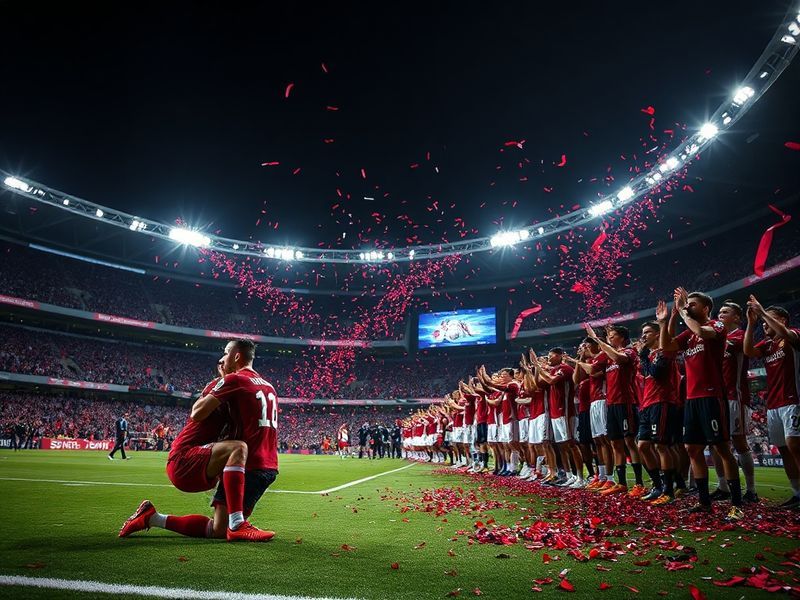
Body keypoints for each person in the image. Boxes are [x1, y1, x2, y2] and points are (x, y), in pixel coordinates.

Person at [120, 343, 276, 542]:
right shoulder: (228, 384)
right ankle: (237, 524)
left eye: (225, 354)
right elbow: (197, 414)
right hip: (183, 458)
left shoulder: (241, 387)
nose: (222, 360)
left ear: (236, 358)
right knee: (238, 447)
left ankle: (152, 518)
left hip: (205, 458)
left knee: (218, 530)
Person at [658, 289, 744, 520]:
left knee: (722, 449)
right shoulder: (688, 335)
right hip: (692, 399)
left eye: (693, 304)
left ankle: (737, 504)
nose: (689, 307)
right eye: (688, 304)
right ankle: (704, 502)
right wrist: (670, 318)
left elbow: (700, 331)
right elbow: (666, 347)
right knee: (692, 449)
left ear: (705, 309)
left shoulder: (716, 326)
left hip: (712, 396)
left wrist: (684, 313)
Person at [743, 296, 800, 508]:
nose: (765, 323)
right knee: (784, 449)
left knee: (795, 445)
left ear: (783, 320)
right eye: (764, 321)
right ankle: (797, 493)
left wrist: (762, 311)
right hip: (773, 404)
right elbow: (748, 351)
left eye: (770, 319)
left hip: (794, 400)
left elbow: (785, 333)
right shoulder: (767, 345)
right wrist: (751, 323)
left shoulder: (793, 335)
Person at [583, 324, 644, 497]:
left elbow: (620, 358)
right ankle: (622, 483)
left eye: (613, 335)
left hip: (626, 402)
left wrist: (597, 339)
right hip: (611, 404)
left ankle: (639, 483)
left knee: (629, 442)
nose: (610, 338)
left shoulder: (629, 352)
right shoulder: (607, 358)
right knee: (616, 443)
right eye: (608, 335)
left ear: (623, 338)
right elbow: (593, 369)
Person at [713, 300, 758, 503]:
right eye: (719, 311)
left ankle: (751, 490)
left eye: (725, 311)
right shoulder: (717, 337)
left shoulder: (739, 336)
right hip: (716, 397)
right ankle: (723, 487)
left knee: (739, 442)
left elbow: (747, 350)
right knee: (716, 444)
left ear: (737, 318)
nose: (720, 314)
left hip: (735, 396)